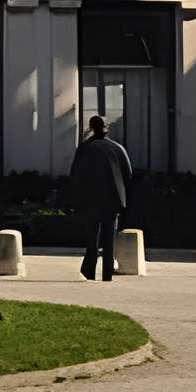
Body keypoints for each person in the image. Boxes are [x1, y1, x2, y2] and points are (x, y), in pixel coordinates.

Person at [67, 113, 133, 280]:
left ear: (91, 128)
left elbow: (75, 175)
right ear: (107, 129)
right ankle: (107, 273)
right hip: (112, 200)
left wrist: (76, 197)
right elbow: (128, 174)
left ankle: (89, 270)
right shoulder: (118, 148)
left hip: (90, 200)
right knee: (109, 238)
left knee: (92, 238)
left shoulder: (84, 149)